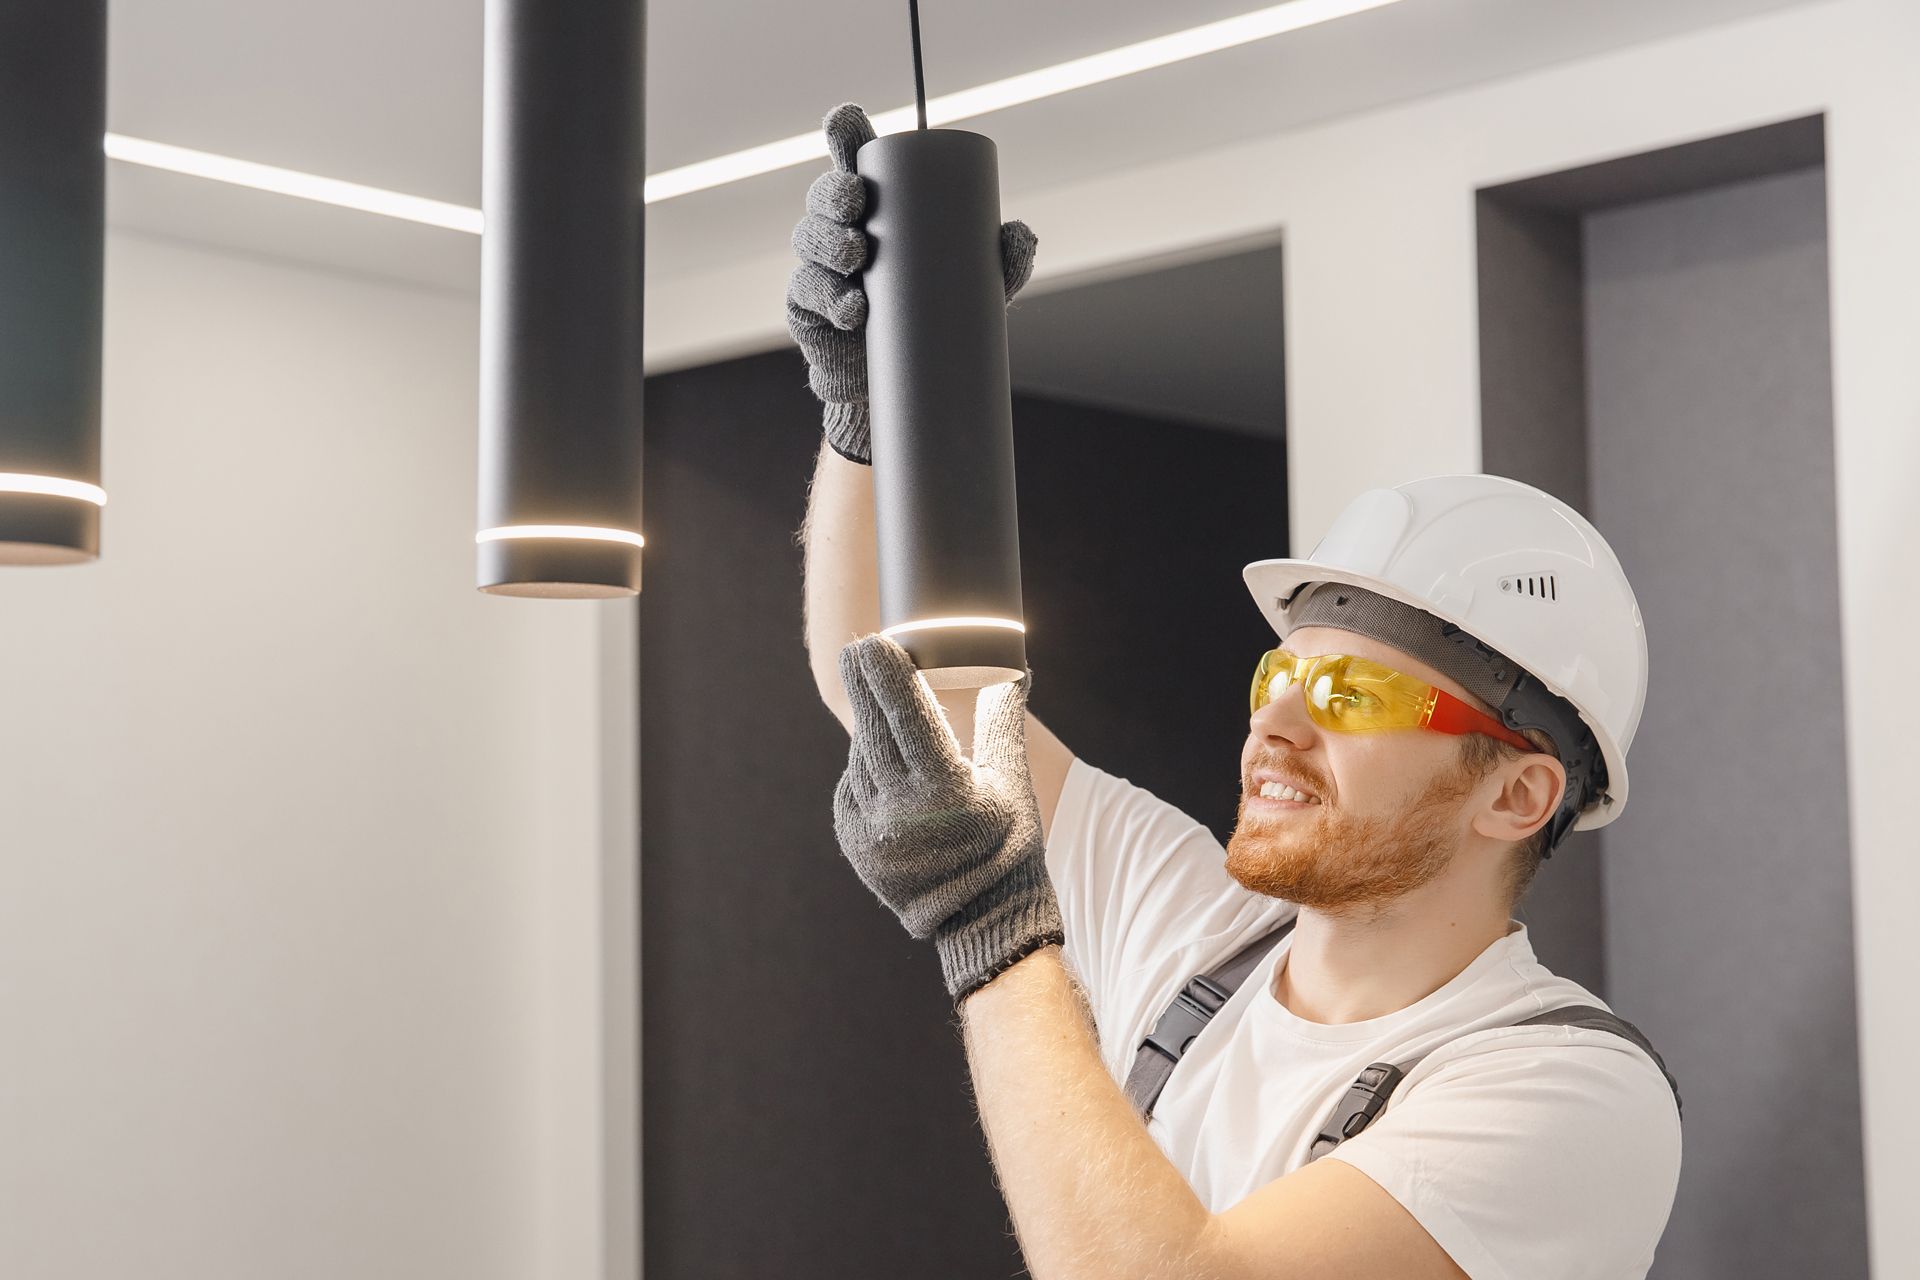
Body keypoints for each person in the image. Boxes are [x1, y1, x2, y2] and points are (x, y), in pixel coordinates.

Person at [789, 104, 1681, 1280]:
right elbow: (893, 686)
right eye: (1283, 673)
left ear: (1516, 792)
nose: (1277, 721)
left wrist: (995, 930)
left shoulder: (1562, 1087)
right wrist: (870, 414)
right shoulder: (1201, 933)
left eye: (1353, 692)